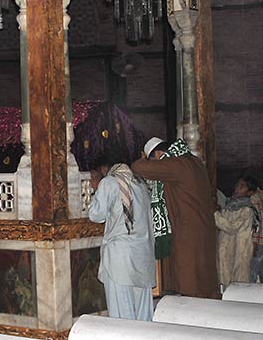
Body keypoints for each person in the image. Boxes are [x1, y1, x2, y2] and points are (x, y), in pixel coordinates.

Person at [132, 137, 219, 298]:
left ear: (158, 154)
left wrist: (143, 158)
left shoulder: (176, 164)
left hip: (189, 232)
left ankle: (195, 318)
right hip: (202, 228)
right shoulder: (194, 161)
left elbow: (138, 167)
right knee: (204, 277)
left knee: (191, 280)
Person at [89, 158, 156, 321]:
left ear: (106, 169)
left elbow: (96, 215)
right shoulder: (141, 184)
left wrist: (96, 188)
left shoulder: (109, 183)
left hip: (120, 256)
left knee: (121, 313)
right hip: (143, 255)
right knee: (143, 313)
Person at [215, 176, 259, 289]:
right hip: (226, 252)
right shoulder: (230, 207)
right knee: (224, 281)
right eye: (237, 185)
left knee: (239, 284)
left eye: (242, 186)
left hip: (240, 252)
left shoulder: (247, 210)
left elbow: (231, 227)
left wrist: (214, 214)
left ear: (250, 192)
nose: (237, 188)